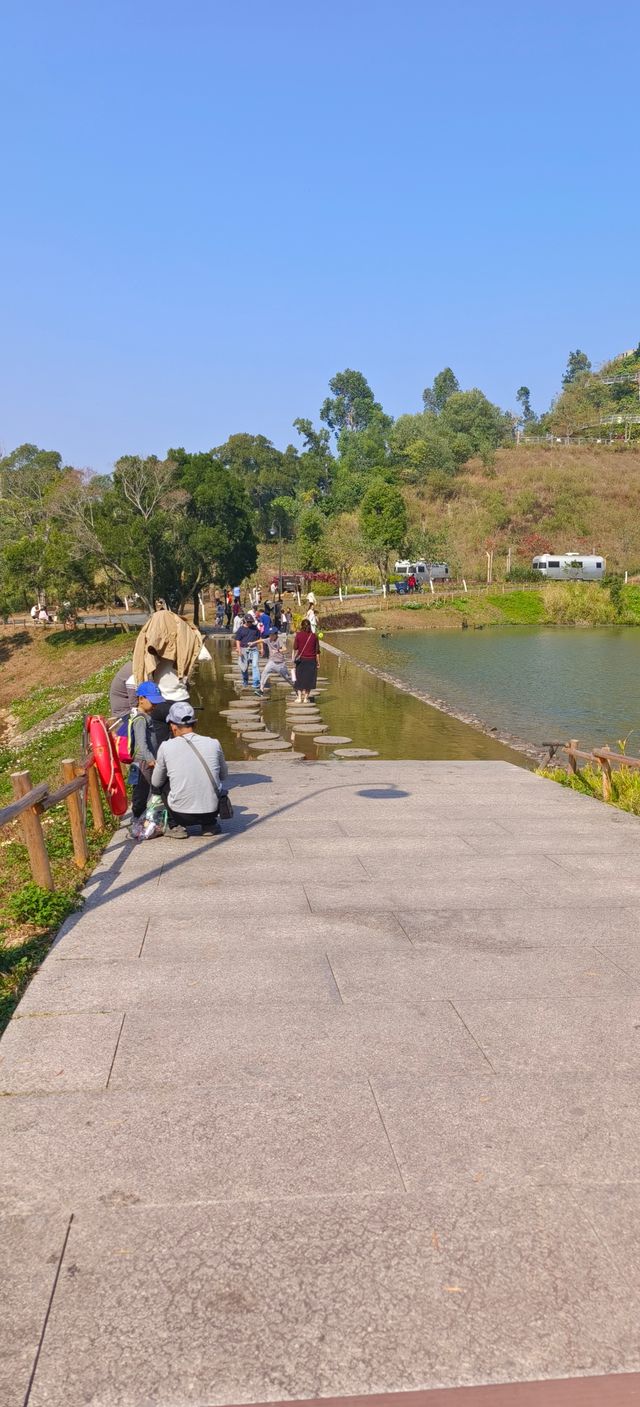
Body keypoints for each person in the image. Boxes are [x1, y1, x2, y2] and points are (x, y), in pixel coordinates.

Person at [150, 701, 228, 838]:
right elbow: (223, 775)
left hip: (181, 815)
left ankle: (176, 826)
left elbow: (156, 782)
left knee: (161, 780)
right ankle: (209, 825)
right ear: (195, 724)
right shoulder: (214, 743)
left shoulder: (166, 747)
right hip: (211, 811)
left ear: (173, 726)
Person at [129, 681, 165, 832]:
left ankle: (145, 815)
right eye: (153, 701)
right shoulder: (140, 719)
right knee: (142, 790)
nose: (155, 705)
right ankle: (136, 817)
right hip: (142, 761)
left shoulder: (145, 716)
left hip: (147, 759)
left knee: (151, 788)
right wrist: (150, 758)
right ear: (141, 699)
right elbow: (141, 742)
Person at [260, 627, 294, 696]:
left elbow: (285, 648)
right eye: (269, 635)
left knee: (287, 678)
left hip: (280, 664)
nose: (270, 636)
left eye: (271, 635)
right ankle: (261, 690)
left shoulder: (279, 640)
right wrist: (252, 643)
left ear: (275, 635)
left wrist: (277, 650)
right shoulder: (268, 640)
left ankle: (296, 687)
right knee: (264, 673)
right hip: (271, 662)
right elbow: (261, 640)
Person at [293, 618, 320, 702]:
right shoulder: (314, 636)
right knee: (309, 679)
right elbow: (317, 651)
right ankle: (306, 698)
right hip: (311, 660)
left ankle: (299, 697)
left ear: (301, 626)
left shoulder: (298, 635)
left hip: (301, 660)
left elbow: (295, 647)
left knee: (299, 678)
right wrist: (318, 662)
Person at [235, 612, 262, 690]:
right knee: (244, 667)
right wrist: (239, 649)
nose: (250, 623)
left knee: (255, 665)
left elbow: (259, 639)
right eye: (248, 622)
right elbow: (237, 640)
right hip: (243, 649)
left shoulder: (255, 628)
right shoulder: (241, 629)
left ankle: (256, 682)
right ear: (245, 621)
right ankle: (245, 680)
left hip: (254, 649)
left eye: (251, 622)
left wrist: (261, 648)